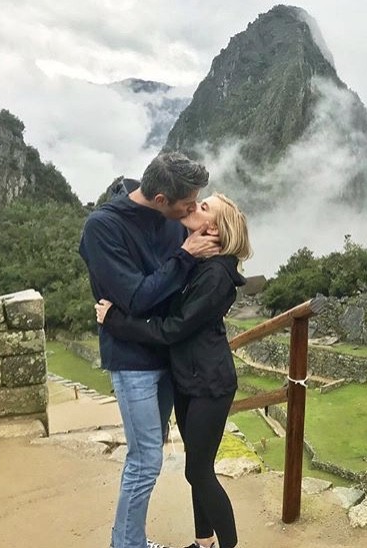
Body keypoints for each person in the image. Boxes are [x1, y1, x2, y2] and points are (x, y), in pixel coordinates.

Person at [96, 193, 253, 548]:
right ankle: (204, 543)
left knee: (198, 471)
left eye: (203, 207)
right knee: (197, 470)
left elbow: (172, 328)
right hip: (190, 378)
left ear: (213, 227)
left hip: (209, 384)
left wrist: (116, 322)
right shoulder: (200, 265)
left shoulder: (215, 275)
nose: (192, 208)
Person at [79, 152, 220, 548]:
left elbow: (179, 284)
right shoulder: (103, 227)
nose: (192, 210)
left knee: (149, 452)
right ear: (161, 200)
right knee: (145, 462)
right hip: (133, 361)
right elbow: (137, 298)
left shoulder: (173, 220)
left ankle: (130, 541)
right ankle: (126, 544)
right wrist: (186, 255)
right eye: (187, 205)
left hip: (168, 354)